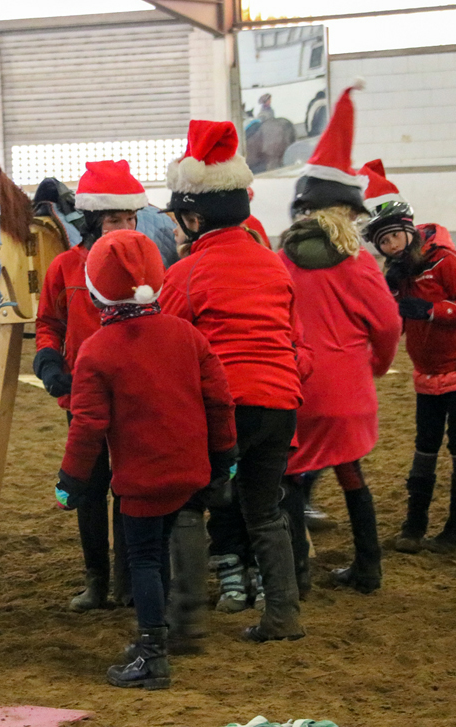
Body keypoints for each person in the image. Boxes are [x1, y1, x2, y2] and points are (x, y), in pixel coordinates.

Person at [56, 229, 236, 689]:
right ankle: (168, 632)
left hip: (141, 478)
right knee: (167, 547)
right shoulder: (187, 335)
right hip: (190, 469)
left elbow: (88, 425)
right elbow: (219, 401)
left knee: (144, 560)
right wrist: (226, 455)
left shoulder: (97, 350)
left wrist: (71, 480)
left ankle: (152, 653)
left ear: (96, 289)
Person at [161, 119, 306, 643]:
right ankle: (283, 615)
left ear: (196, 216)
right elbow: (294, 336)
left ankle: (187, 624)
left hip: (224, 404)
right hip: (281, 401)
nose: (178, 228)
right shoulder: (273, 265)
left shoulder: (184, 275)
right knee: (266, 510)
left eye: (181, 219)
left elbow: (173, 346)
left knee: (189, 504)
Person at [278, 84, 401, 596]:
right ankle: (368, 567)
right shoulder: (360, 264)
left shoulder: (279, 259)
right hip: (349, 392)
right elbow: (389, 325)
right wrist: (373, 366)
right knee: (351, 474)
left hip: (297, 390)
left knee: (287, 480)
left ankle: (297, 575)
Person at [33, 159, 148, 611]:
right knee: (89, 485)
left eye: (129, 219)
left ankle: (128, 580)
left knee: (128, 486)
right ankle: (96, 579)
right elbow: (49, 322)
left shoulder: (146, 267)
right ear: (94, 220)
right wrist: (47, 359)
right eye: (114, 219)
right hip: (82, 394)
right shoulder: (64, 267)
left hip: (134, 394)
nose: (123, 227)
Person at [361, 160, 456, 553]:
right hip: (426, 376)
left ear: (408, 231)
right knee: (424, 446)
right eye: (382, 242)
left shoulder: (449, 262)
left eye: (393, 238)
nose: (390, 247)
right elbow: (391, 323)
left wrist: (432, 311)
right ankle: (414, 526)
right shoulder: (399, 275)